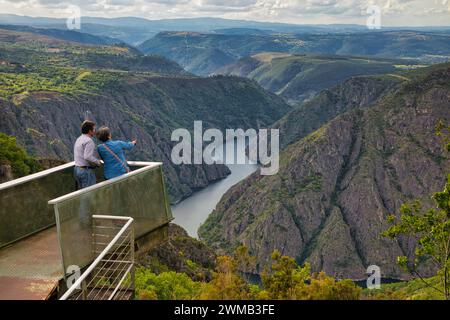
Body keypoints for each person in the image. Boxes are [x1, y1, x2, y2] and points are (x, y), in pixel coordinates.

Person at [74, 120, 101, 189]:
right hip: (86, 171)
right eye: (94, 129)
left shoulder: (79, 139)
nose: (95, 131)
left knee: (82, 194)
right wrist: (97, 162)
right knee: (89, 194)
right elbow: (87, 157)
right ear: (90, 131)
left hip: (77, 169)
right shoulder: (89, 141)